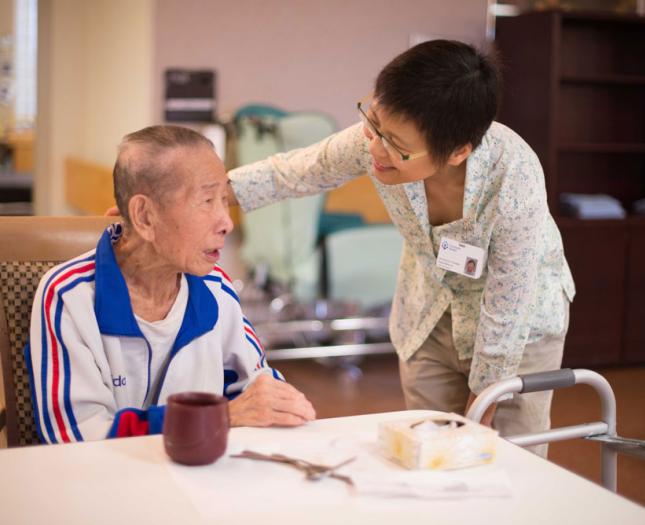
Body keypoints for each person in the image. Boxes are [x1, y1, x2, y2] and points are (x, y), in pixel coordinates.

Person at [227, 40, 575, 456]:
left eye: (396, 145)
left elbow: (509, 297)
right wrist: (210, 190)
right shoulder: (378, 138)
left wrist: (486, 397)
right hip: (428, 310)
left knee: (508, 461)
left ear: (459, 151)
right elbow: (302, 169)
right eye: (373, 125)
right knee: (426, 452)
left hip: (519, 330)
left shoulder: (513, 175)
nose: (374, 149)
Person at [27, 125, 315, 444]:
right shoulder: (69, 296)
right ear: (145, 217)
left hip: (201, 479)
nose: (227, 222)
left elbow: (257, 387)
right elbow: (77, 438)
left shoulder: (215, 287)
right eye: (206, 201)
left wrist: (276, 404)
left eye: (224, 200)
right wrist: (219, 416)